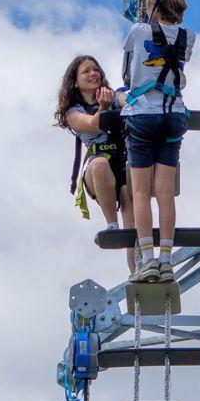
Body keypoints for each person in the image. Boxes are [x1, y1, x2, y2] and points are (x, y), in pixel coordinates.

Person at [120, 0, 195, 284]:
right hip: (174, 114)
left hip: (142, 115)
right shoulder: (189, 37)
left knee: (141, 192)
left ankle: (147, 259)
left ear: (152, 5)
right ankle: (167, 260)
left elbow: (128, 74)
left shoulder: (138, 32)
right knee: (165, 192)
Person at [55, 55, 135, 270]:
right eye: (86, 71)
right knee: (99, 164)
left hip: (123, 162)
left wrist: (134, 98)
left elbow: (126, 99)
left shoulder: (112, 96)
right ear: (75, 81)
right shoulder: (74, 112)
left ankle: (138, 269)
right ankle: (111, 223)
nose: (93, 74)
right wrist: (103, 107)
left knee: (131, 207)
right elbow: (93, 124)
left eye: (95, 69)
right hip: (98, 169)